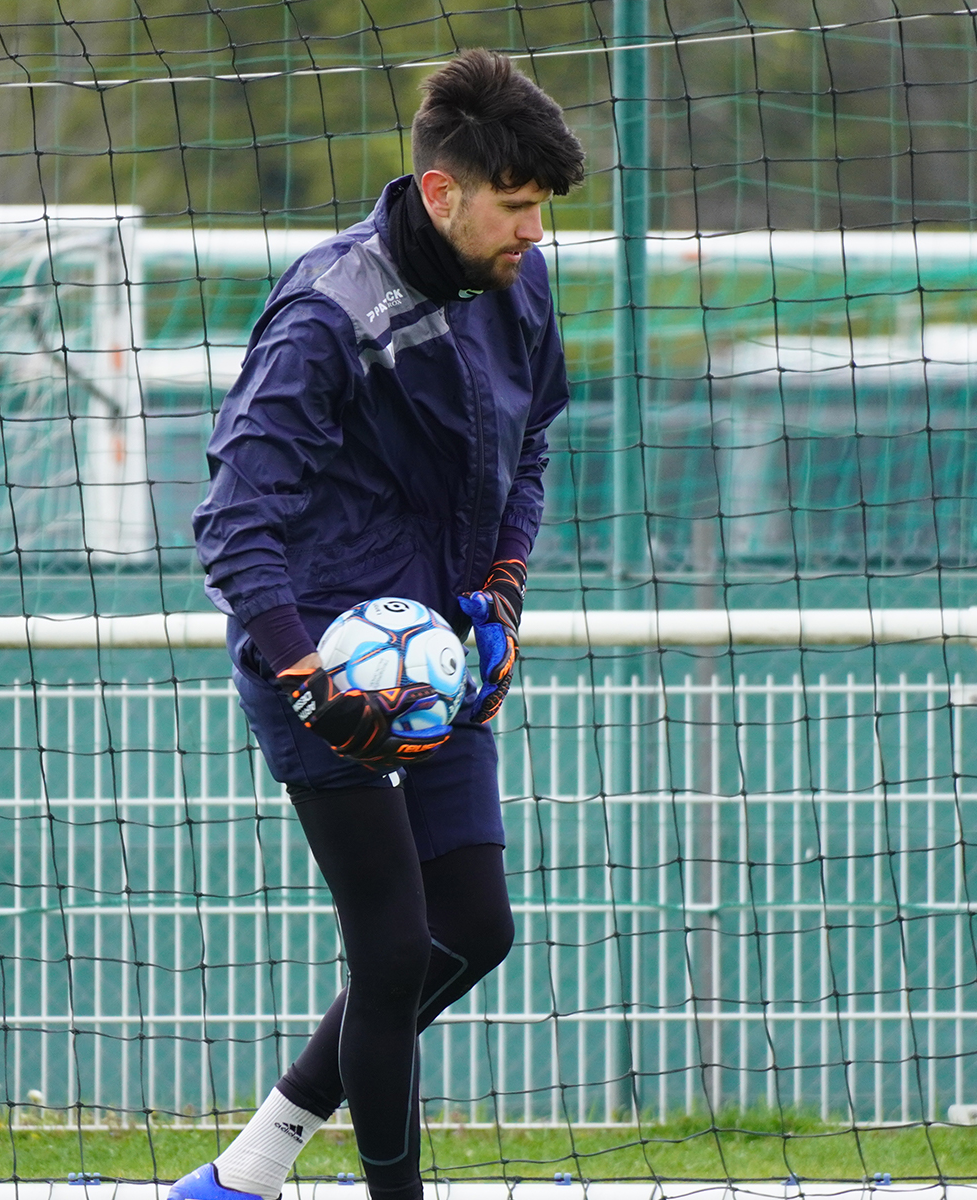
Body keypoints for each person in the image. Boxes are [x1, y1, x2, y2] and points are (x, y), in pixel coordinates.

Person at [176, 48, 585, 1200]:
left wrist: (503, 585)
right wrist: (307, 668)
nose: (531, 236)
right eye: (514, 210)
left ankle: (250, 1167)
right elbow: (233, 515)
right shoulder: (326, 310)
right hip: (315, 653)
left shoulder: (520, 283)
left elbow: (533, 444)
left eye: (541, 214)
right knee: (394, 951)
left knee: (477, 926)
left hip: (437, 650)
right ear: (443, 191)